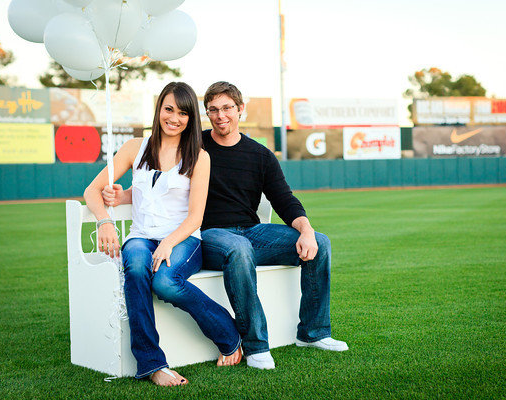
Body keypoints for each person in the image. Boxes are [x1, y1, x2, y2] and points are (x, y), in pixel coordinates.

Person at [103, 81, 347, 370]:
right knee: (238, 248)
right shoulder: (193, 145)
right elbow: (163, 184)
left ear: (240, 109)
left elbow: (284, 199)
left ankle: (313, 332)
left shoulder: (261, 155)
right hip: (210, 235)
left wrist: (306, 230)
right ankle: (255, 345)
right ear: (206, 114)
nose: (221, 116)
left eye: (227, 108)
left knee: (321, 243)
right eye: (213, 110)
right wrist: (125, 196)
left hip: (253, 231)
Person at [84, 82, 242, 387]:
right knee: (135, 265)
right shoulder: (134, 148)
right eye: (169, 109)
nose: (174, 118)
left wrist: (168, 243)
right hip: (141, 236)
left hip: (183, 240)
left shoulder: (199, 156)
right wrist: (105, 220)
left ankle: (229, 334)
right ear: (159, 110)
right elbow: (93, 190)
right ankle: (153, 364)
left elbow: (195, 216)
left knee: (166, 281)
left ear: (191, 118)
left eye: (183, 112)